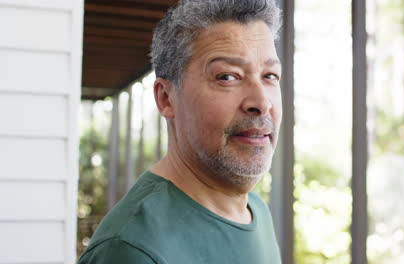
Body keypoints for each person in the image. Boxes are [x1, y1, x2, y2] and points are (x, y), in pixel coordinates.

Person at [77, 0, 283, 263]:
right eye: (227, 77)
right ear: (166, 98)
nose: (262, 102)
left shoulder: (256, 210)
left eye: (270, 76)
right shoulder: (133, 249)